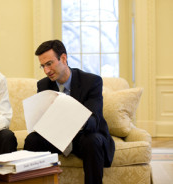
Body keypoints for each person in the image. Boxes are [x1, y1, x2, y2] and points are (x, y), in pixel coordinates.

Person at [23, 40, 115, 184]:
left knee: (93, 140)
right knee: (32, 140)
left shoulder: (91, 81)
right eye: (43, 66)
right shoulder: (44, 84)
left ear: (63, 58)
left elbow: (93, 121)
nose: (46, 71)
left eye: (49, 64)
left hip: (83, 136)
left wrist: (67, 110)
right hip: (57, 136)